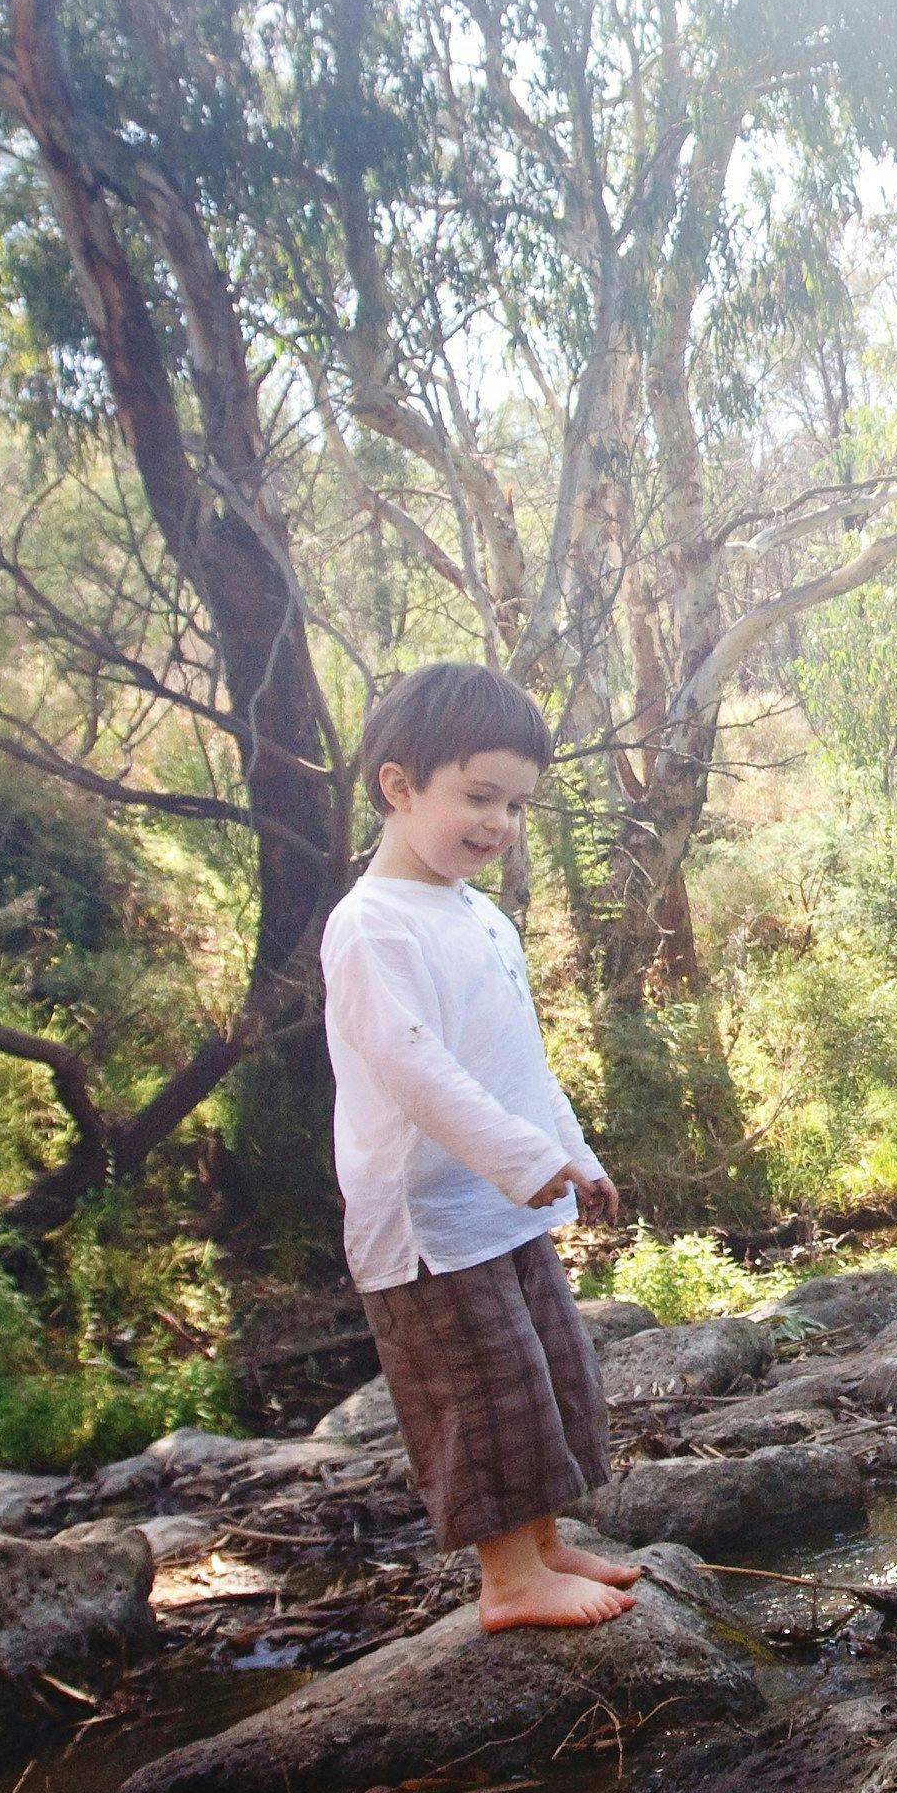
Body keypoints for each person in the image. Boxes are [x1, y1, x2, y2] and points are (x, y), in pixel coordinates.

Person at [325, 661, 638, 1633]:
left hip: (498, 1200)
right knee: (482, 1386)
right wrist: (518, 1155)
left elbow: (518, 1062)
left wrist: (574, 1156)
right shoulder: (371, 925)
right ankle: (506, 1579)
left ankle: (542, 1543)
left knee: (546, 1363)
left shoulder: (479, 914)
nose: (498, 823)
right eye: (478, 796)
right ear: (399, 786)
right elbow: (417, 1071)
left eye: (515, 805)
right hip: (424, 1220)